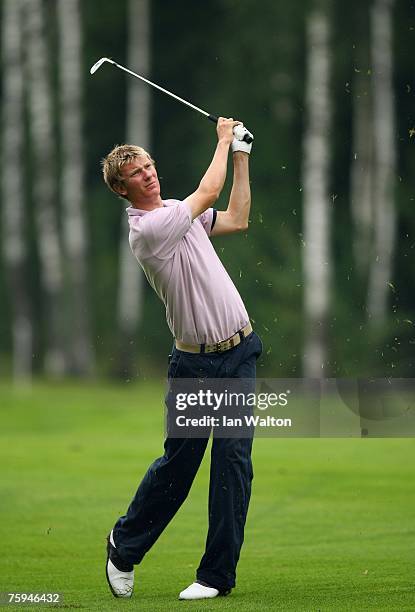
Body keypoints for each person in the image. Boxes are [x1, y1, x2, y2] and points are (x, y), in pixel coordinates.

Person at [101, 117, 262, 601]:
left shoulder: (176, 210)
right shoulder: (149, 229)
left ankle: (216, 577)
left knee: (233, 462)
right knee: (180, 467)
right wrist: (221, 139)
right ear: (120, 188)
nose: (149, 174)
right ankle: (122, 547)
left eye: (149, 165)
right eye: (137, 173)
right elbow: (209, 194)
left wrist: (241, 156)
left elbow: (235, 217)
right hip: (194, 366)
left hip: (238, 353)